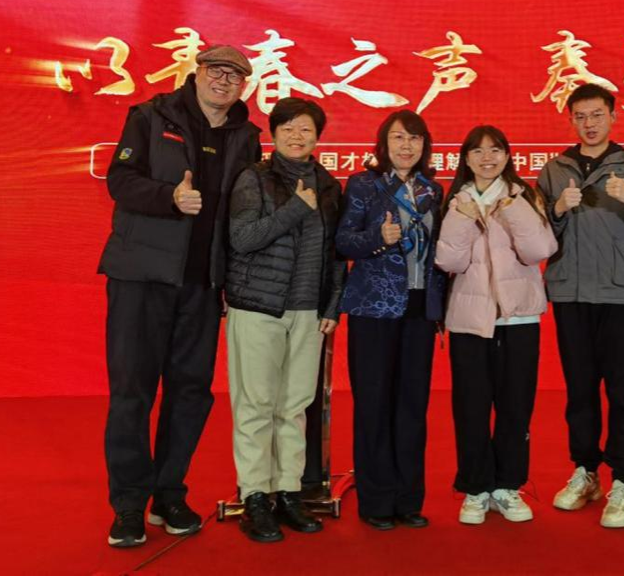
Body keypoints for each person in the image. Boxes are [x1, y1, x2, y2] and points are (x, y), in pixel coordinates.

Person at [98, 45, 261, 547]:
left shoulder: (247, 136)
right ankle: (129, 505)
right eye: (216, 71)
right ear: (197, 73)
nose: (224, 81)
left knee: (190, 392)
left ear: (244, 86)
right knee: (133, 391)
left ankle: (168, 493)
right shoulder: (150, 116)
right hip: (141, 277)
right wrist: (168, 197)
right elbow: (120, 180)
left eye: (235, 76)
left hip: (203, 285)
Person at [536, 83, 624, 528]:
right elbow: (534, 235)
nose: (589, 123)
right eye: (580, 116)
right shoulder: (554, 170)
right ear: (570, 120)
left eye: (597, 114)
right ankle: (586, 471)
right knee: (579, 390)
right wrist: (557, 210)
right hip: (571, 294)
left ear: (613, 117)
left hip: (623, 293)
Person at [223, 98, 345, 542]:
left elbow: (335, 254)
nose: (297, 136)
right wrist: (294, 209)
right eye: (288, 128)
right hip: (258, 307)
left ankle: (289, 491)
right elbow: (242, 238)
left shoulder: (328, 185)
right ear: (274, 134)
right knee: (255, 405)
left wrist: (332, 305)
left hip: (308, 312)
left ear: (318, 136)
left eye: (306, 129)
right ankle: (255, 495)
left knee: (294, 407)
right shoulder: (254, 178)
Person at [435, 125, 557, 525]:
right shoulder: (456, 200)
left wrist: (512, 208)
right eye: (478, 151)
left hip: (518, 317)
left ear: (507, 155)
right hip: (470, 321)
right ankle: (475, 488)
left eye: (495, 150)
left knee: (515, 406)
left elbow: (540, 250)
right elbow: (449, 262)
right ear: (465, 159)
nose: (487, 158)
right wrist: (463, 218)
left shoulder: (525, 195)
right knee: (471, 407)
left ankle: (507, 486)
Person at [336, 110, 446, 530]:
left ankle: (408, 499)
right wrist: (377, 240)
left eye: (415, 139)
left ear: (424, 146)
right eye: (399, 138)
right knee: (374, 403)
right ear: (384, 144)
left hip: (420, 311)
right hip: (374, 310)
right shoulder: (363, 185)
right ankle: (376, 500)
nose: (406, 146)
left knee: (412, 405)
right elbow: (344, 241)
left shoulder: (433, 189)